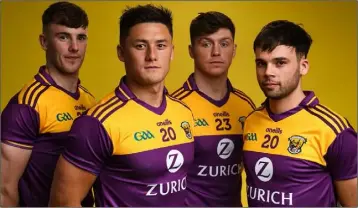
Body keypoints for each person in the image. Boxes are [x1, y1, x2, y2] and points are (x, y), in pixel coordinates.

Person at [49, 4, 195, 207]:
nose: (152, 55)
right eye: (140, 46)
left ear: (172, 52)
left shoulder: (184, 112)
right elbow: (63, 202)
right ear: (121, 52)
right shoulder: (97, 123)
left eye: (161, 45)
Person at [242, 20, 357, 207]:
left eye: (280, 63)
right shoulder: (251, 121)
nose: (268, 72)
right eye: (261, 63)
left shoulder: (335, 131)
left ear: (303, 66)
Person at [0, 1, 96, 207]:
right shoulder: (26, 105)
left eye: (81, 37)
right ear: (44, 42)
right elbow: (5, 189)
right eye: (63, 37)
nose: (74, 47)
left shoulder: (89, 101)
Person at [171, 12, 255, 207]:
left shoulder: (246, 106)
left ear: (234, 50)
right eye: (206, 44)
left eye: (224, 44)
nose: (216, 52)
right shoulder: (174, 107)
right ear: (192, 50)